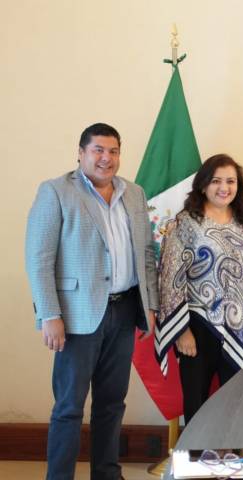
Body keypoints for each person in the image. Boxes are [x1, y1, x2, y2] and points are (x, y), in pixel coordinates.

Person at [25, 123, 158, 480]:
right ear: (81, 153)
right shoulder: (56, 191)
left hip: (125, 310)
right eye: (98, 150)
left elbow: (146, 254)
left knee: (111, 404)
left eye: (113, 151)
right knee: (69, 406)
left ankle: (107, 474)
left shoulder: (134, 193)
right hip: (76, 316)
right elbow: (39, 259)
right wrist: (49, 314)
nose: (106, 158)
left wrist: (150, 305)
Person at [154, 154, 243, 424]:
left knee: (238, 401)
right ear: (203, 184)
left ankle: (233, 448)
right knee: (197, 403)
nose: (224, 187)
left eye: (231, 181)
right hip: (197, 328)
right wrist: (182, 331)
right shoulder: (185, 224)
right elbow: (170, 279)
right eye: (216, 181)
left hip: (241, 328)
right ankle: (196, 450)